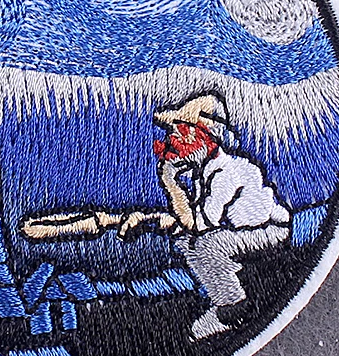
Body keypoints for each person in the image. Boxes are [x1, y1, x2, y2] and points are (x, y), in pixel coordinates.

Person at [118, 92, 291, 340]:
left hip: (269, 230)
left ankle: (233, 309)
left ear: (206, 136)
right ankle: (220, 292)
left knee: (207, 243)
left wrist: (170, 182)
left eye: (182, 132)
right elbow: (191, 219)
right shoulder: (206, 171)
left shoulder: (226, 173)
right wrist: (149, 220)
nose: (173, 140)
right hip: (241, 231)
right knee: (185, 240)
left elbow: (198, 225)